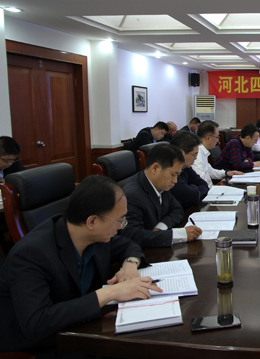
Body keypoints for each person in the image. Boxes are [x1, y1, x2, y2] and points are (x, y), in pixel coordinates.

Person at [0, 176, 162, 353]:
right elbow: (37, 323)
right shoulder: (31, 254)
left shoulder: (94, 235)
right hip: (46, 342)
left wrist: (130, 264)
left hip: (83, 325)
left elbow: (129, 245)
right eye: (119, 220)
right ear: (92, 221)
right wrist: (111, 292)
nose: (121, 227)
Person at [121, 144, 201, 248]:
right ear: (155, 168)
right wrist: (180, 234)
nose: (175, 181)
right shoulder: (132, 196)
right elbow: (134, 236)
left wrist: (161, 227)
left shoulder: (161, 184)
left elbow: (177, 210)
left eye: (177, 175)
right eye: (173, 174)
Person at [192, 121, 243, 188]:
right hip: (207, 192)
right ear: (208, 138)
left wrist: (226, 173)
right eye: (217, 137)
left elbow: (210, 171)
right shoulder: (197, 155)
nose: (218, 140)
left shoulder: (203, 151)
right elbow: (201, 180)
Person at [170, 131, 209, 210]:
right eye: (194, 154)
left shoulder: (186, 167)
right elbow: (192, 196)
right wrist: (194, 188)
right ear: (181, 153)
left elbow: (204, 184)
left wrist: (192, 188)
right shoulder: (171, 171)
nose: (195, 158)